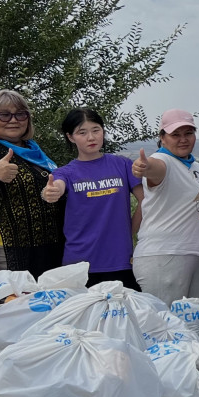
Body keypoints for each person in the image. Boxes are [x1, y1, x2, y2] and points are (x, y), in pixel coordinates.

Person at [41, 107, 144, 289]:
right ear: (70, 137)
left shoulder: (122, 165)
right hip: (79, 265)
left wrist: (130, 231)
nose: (91, 137)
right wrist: (50, 192)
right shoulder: (66, 172)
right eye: (82, 132)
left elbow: (146, 201)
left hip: (120, 260)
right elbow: (56, 186)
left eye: (96, 130)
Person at [132, 109, 199, 304]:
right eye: (175, 135)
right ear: (162, 138)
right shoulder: (163, 161)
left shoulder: (196, 167)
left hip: (195, 255)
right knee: (165, 328)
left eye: (188, 133)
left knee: (195, 327)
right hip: (164, 256)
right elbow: (153, 168)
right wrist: (144, 167)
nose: (183, 139)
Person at [0, 89, 64, 276]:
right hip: (11, 252)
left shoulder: (36, 152)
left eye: (20, 114)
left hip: (51, 248)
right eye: (4, 114)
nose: (13, 120)